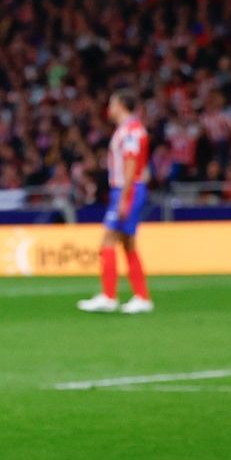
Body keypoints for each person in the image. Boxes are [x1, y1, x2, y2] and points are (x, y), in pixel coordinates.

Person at [79, 90, 155, 314]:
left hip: (126, 189)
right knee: (128, 243)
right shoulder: (133, 129)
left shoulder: (129, 131)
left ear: (121, 105)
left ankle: (109, 296)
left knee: (107, 241)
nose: (109, 108)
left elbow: (131, 163)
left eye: (112, 103)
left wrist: (124, 197)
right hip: (131, 188)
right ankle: (141, 296)